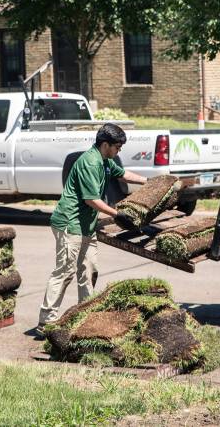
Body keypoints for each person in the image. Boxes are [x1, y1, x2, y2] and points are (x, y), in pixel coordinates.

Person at [38, 123, 146, 329]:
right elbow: (91, 200)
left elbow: (122, 174)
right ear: (105, 144)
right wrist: (117, 214)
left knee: (89, 269)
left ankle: (85, 313)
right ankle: (47, 321)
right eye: (117, 147)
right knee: (65, 271)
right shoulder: (90, 162)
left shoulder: (105, 160)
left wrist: (149, 181)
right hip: (70, 223)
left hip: (87, 224)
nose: (119, 150)